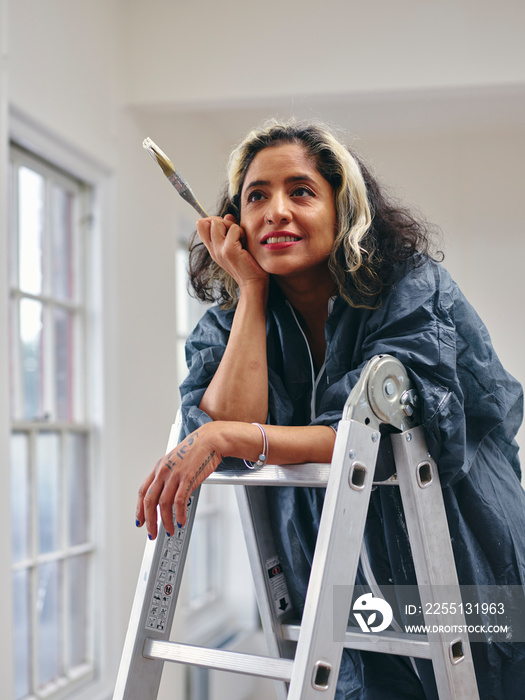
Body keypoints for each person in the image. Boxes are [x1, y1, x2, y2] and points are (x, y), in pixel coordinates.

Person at [135, 119, 525, 699]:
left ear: (344, 209)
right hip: (335, 571)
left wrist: (233, 439)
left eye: (301, 191)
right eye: (256, 197)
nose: (276, 211)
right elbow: (226, 429)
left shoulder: (412, 289)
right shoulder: (233, 321)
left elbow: (383, 437)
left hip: (459, 557)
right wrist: (250, 291)